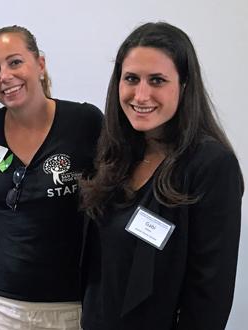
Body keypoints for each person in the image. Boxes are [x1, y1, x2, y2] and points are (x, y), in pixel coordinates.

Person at [79, 22, 244, 330]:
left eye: (157, 80)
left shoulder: (211, 165)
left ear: (183, 85)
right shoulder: (115, 154)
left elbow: (210, 294)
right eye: (131, 79)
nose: (141, 95)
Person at [0, 25, 103, 329]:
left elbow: (110, 198)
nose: (5, 76)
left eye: (15, 62)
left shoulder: (84, 122)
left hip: (67, 304)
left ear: (40, 64)